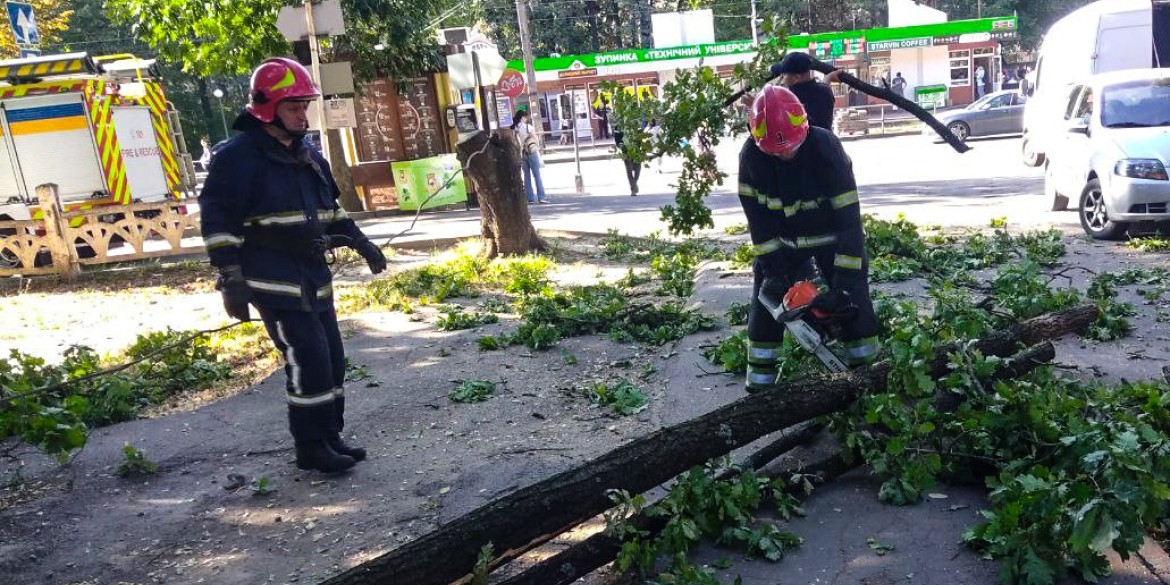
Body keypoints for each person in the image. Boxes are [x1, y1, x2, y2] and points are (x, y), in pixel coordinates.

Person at [199, 58, 388, 474]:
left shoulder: (308, 157)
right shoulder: (237, 158)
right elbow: (217, 222)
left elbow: (332, 212)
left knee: (333, 360)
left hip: (314, 277)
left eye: (305, 106)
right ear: (267, 108)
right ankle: (310, 447)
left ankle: (330, 435)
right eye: (294, 107)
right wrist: (231, 277)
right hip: (272, 280)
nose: (303, 115)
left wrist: (363, 244)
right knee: (309, 360)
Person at [737, 85, 879, 392]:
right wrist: (776, 274)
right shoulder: (750, 158)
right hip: (783, 249)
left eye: (790, 146)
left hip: (832, 244)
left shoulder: (825, 148)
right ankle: (758, 390)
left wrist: (842, 285)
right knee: (764, 310)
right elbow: (759, 227)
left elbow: (850, 222)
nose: (785, 153)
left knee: (855, 308)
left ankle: (870, 383)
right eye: (776, 150)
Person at [776, 51, 836, 131]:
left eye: (784, 74)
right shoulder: (825, 91)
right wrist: (828, 78)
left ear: (796, 77)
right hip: (825, 141)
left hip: (801, 143)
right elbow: (820, 89)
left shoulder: (787, 97)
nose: (782, 76)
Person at [511, 109, 548, 204]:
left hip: (522, 153)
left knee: (526, 177)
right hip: (532, 152)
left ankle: (530, 198)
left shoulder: (515, 129)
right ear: (522, 117)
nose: (526, 118)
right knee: (537, 176)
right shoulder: (528, 127)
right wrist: (537, 148)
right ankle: (541, 197)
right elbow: (535, 138)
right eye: (525, 117)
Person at [611, 108, 641, 196]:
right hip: (626, 150)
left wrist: (639, 146)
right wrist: (622, 147)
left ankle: (634, 183)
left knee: (637, 168)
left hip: (636, 149)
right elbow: (617, 138)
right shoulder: (619, 125)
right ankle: (633, 188)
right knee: (629, 169)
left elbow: (640, 135)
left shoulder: (635, 123)